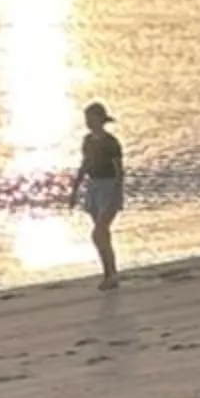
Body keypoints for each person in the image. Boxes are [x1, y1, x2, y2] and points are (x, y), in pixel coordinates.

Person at [68, 100, 125, 287]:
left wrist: (116, 195)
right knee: (103, 235)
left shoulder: (111, 142)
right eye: (86, 119)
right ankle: (110, 273)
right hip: (93, 187)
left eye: (91, 118)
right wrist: (75, 190)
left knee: (98, 233)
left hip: (109, 188)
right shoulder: (87, 141)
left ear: (100, 120)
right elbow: (85, 165)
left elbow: (119, 171)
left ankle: (111, 274)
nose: (88, 122)